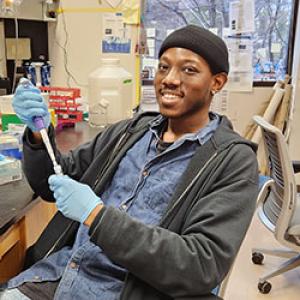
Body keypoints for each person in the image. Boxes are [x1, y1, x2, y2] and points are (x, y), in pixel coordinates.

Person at [0, 25, 259, 300]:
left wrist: (97, 216)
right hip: (58, 275)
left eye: (189, 70)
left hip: (128, 290)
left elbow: (200, 266)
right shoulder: (130, 132)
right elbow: (51, 183)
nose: (169, 79)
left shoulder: (232, 161)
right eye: (163, 67)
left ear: (217, 82)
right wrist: (39, 136)